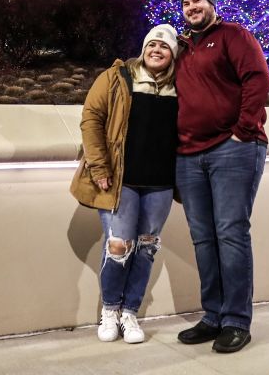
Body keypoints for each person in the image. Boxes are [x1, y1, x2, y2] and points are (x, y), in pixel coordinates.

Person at [173, 0, 269, 354]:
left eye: (199, 0)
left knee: (230, 232)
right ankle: (213, 315)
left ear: (212, 4)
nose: (193, 7)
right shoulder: (180, 48)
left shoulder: (233, 35)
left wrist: (243, 131)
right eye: (187, 3)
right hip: (188, 155)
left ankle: (235, 321)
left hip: (233, 149)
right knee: (203, 237)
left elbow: (258, 79)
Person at [71, 25, 181, 344]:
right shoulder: (118, 77)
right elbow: (91, 118)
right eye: (152, 44)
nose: (156, 49)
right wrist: (99, 165)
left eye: (164, 46)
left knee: (145, 248)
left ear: (173, 53)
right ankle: (110, 310)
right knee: (119, 245)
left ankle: (130, 312)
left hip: (160, 183)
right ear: (143, 47)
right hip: (121, 180)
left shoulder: (180, 87)